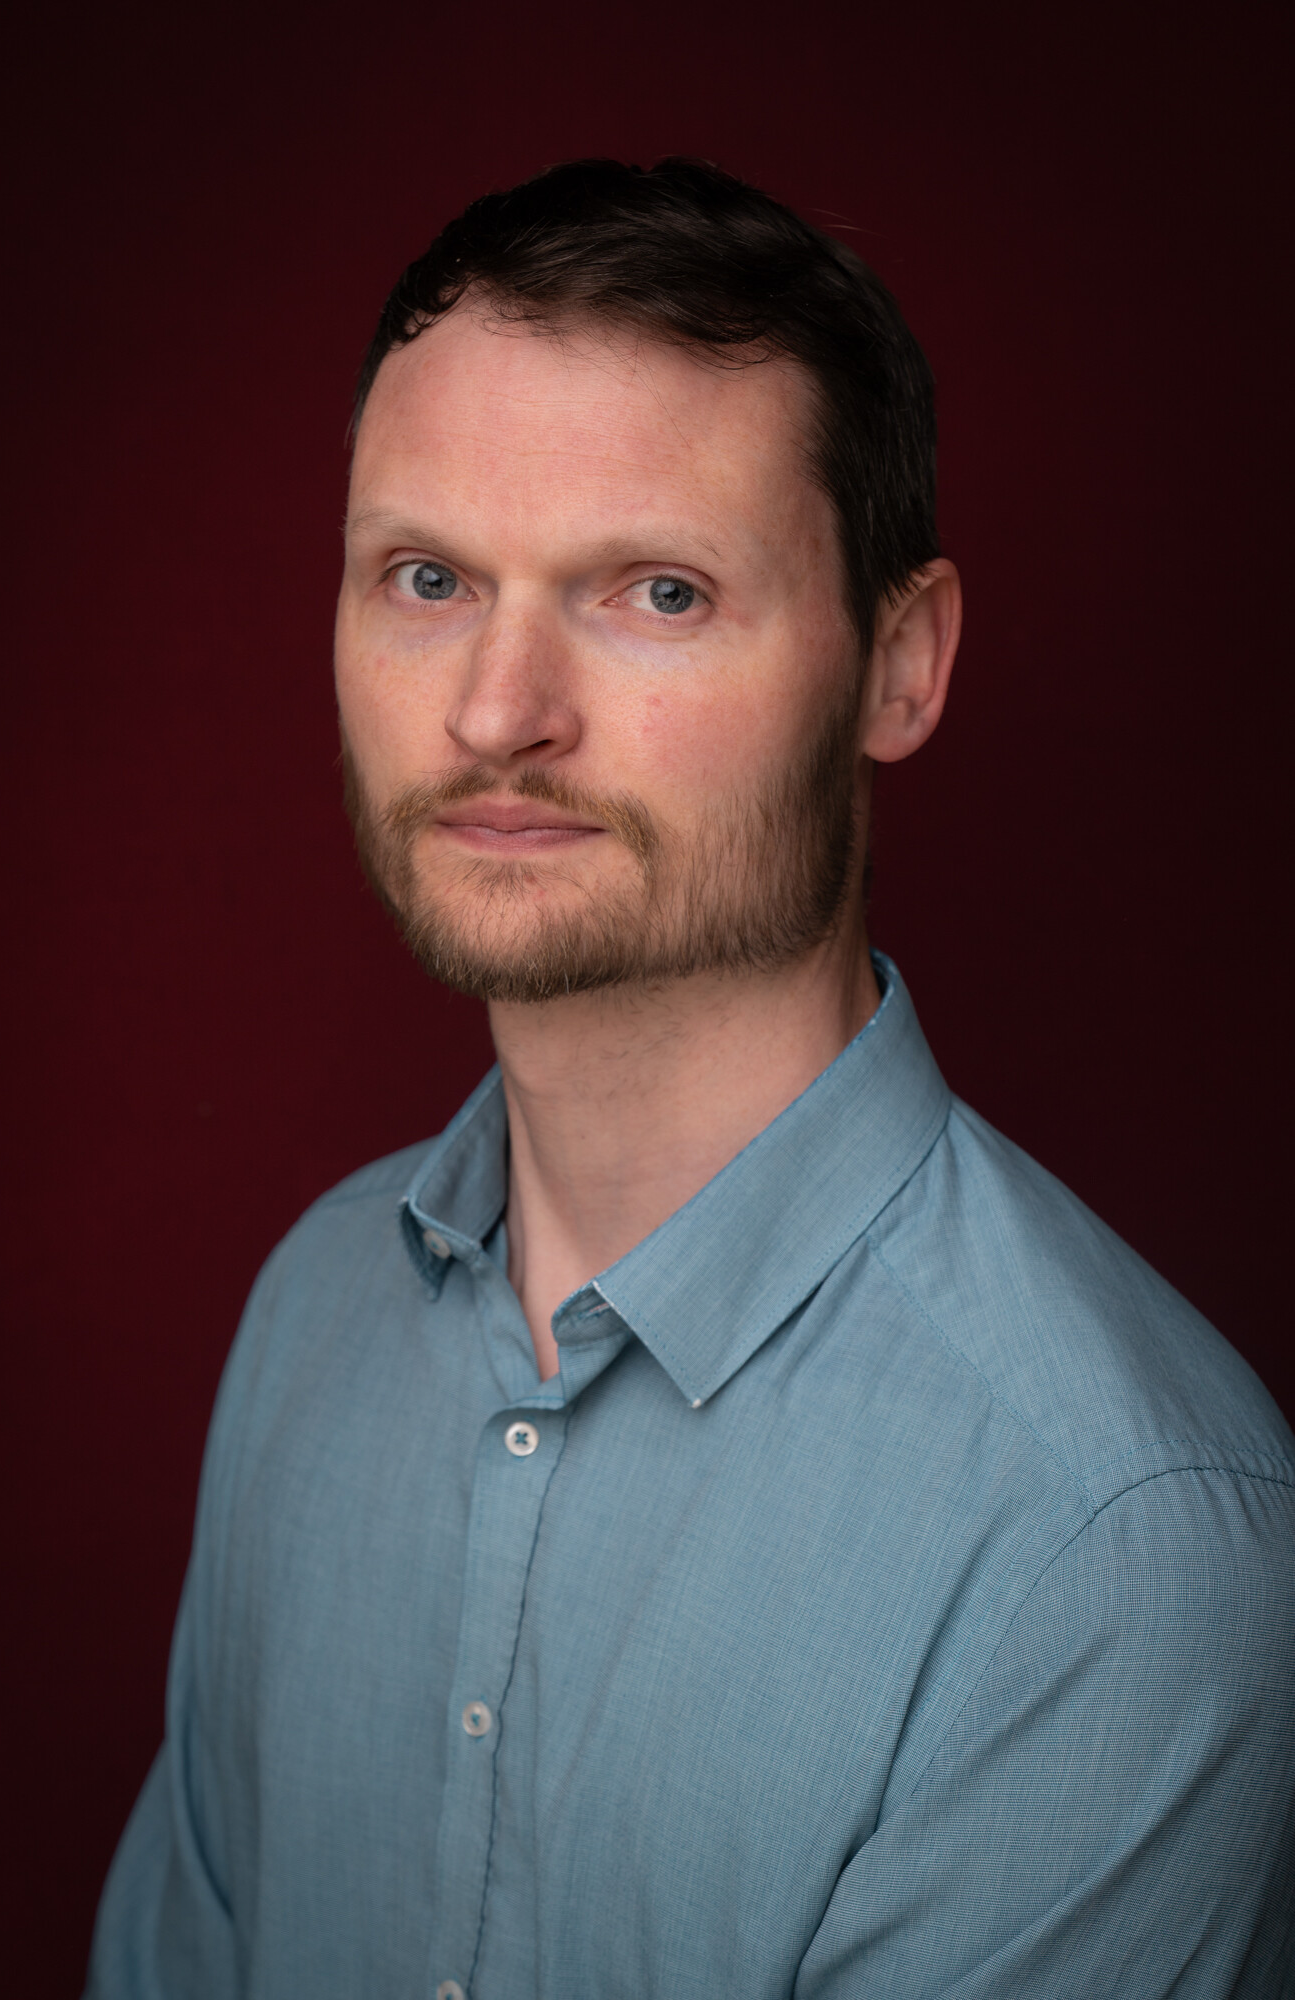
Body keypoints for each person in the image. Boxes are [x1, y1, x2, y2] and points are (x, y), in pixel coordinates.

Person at [86, 158, 1295, 2000]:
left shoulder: (1114, 1544)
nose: (496, 712)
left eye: (655, 591)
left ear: (899, 663)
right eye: (427, 578)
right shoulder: (310, 1317)